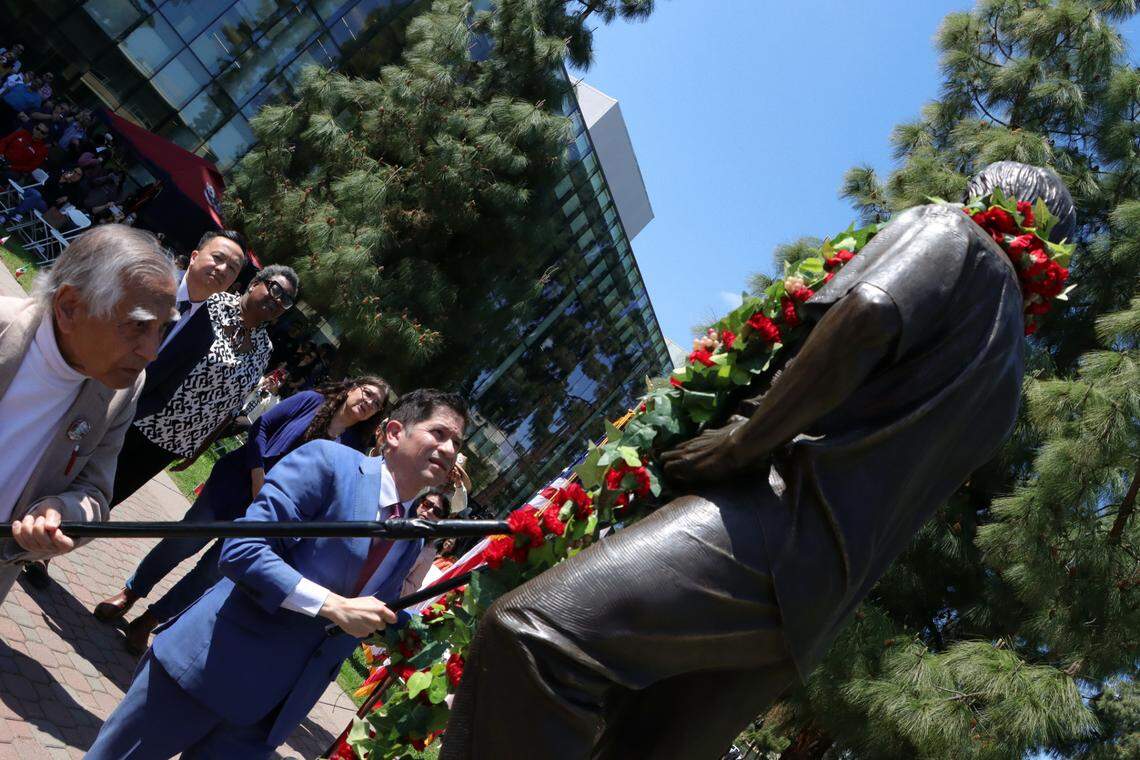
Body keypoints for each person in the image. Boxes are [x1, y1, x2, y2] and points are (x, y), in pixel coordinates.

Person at [440, 163, 1078, 759]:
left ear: (990, 198)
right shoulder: (1009, 381)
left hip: (769, 527)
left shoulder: (955, 233)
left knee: (532, 637)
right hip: (808, 617)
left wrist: (740, 443)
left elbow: (871, 309)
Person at [86, 389, 469, 759]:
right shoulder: (329, 463)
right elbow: (243, 550)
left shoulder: (411, 537)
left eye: (458, 442)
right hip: (208, 670)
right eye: (439, 433)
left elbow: (372, 611)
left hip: (268, 719)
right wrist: (332, 606)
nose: (450, 449)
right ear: (394, 432)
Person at [95, 375, 392, 653]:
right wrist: (257, 475)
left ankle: (149, 621)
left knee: (211, 572)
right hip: (236, 484)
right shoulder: (311, 401)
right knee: (180, 543)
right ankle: (130, 593)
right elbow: (261, 426)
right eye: (367, 393)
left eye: (377, 404)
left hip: (269, 515)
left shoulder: (352, 447)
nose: (369, 402)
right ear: (352, 388)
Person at [0, 225, 176, 602]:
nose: (152, 351)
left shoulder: (123, 389)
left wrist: (60, 511)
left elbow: (95, 494)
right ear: (69, 307)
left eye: (161, 329)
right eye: (137, 326)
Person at [108, 264, 298, 507]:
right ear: (253, 284)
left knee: (108, 500)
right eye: (276, 290)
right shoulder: (212, 304)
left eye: (287, 300)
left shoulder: (264, 349)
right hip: (140, 416)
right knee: (80, 478)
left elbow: (231, 406)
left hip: (174, 443)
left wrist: (198, 448)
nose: (278, 300)